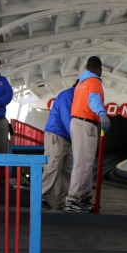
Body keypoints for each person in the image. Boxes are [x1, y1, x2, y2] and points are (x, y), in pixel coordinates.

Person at [64, 56, 111, 213]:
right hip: (85, 124)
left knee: (87, 163)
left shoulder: (81, 82)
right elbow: (94, 99)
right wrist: (102, 113)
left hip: (78, 122)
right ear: (99, 68)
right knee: (83, 163)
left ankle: (83, 198)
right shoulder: (94, 81)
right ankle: (72, 200)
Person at [41, 81, 76, 210]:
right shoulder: (68, 95)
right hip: (57, 134)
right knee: (53, 166)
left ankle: (62, 201)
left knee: (65, 169)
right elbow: (67, 117)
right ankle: (40, 196)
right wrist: (76, 137)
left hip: (67, 136)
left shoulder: (76, 96)